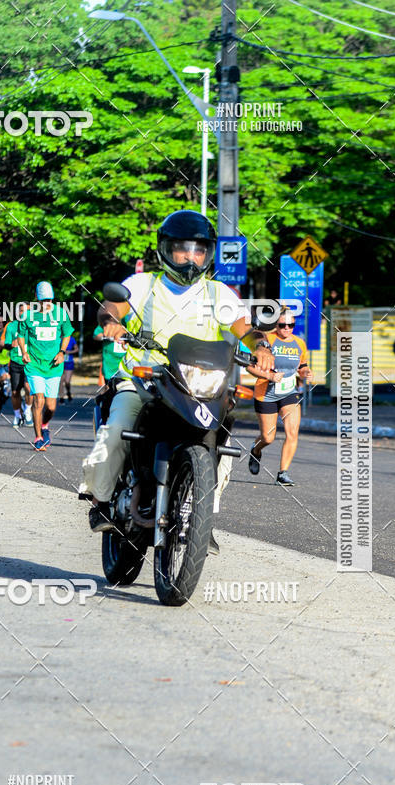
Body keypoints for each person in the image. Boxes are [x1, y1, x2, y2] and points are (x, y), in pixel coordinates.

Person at [79, 209, 275, 551]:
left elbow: (247, 329)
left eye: (199, 250)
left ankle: (203, 518)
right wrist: (111, 321)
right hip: (145, 381)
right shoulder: (144, 285)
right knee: (116, 429)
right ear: (165, 250)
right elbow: (112, 307)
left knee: (223, 443)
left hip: (199, 387)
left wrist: (262, 348)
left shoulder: (219, 294)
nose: (190, 258)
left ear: (209, 254)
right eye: (182, 249)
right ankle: (101, 501)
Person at [247, 306, 311, 487]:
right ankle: (256, 450)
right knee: (268, 437)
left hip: (289, 392)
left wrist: (305, 372)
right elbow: (250, 367)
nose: (286, 329)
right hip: (266, 393)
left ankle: (283, 473)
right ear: (276, 324)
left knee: (292, 432)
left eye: (290, 325)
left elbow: (302, 365)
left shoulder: (299, 343)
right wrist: (269, 376)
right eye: (283, 325)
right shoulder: (266, 340)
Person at [17, 280, 73, 450]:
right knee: (39, 399)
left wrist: (62, 352)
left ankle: (44, 425)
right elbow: (20, 335)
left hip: (54, 366)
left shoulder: (61, 313)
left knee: (51, 407)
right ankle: (38, 438)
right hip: (34, 364)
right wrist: (24, 351)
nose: (46, 304)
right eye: (43, 300)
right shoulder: (28, 315)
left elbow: (67, 334)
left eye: (49, 300)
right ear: (36, 299)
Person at [0, 302, 33, 426]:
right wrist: (11, 344)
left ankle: (28, 412)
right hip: (15, 362)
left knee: (29, 389)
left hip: (29, 363)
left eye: (27, 311)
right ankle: (18, 415)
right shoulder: (11, 326)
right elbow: (5, 344)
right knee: (15, 392)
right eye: (22, 311)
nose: (24, 313)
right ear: (17, 312)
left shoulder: (33, 325)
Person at [59, 334, 78, 402]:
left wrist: (69, 352)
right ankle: (61, 397)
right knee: (61, 381)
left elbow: (76, 349)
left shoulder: (72, 339)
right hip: (60, 362)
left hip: (69, 362)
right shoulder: (58, 338)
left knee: (67, 381)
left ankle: (68, 392)